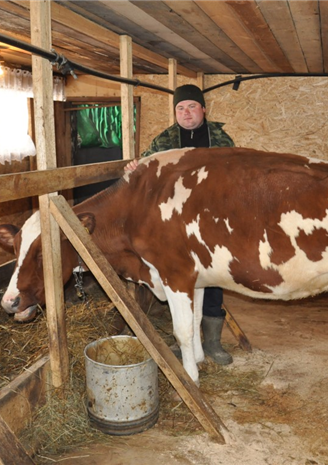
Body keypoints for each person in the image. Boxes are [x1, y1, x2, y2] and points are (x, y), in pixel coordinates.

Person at [125, 84, 235, 365]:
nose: (186, 113)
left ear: (203, 110)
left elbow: (236, 175)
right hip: (175, 222)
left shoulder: (221, 140)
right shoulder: (164, 140)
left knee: (214, 276)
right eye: (181, 108)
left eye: (192, 107)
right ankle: (186, 341)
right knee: (179, 276)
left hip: (213, 218)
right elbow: (147, 167)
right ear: (176, 113)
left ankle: (212, 342)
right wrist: (134, 169)